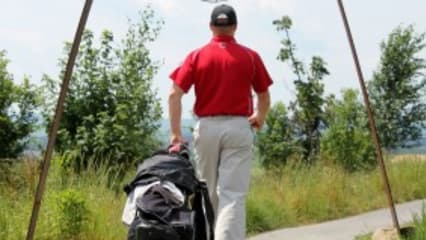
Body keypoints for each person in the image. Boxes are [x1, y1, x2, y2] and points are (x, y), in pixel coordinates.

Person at [168, 4, 273, 240]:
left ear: (211, 27)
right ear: (235, 27)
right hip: (238, 127)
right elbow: (264, 95)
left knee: (206, 191)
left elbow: (174, 95)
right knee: (232, 193)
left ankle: (207, 235)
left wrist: (175, 133)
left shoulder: (196, 56)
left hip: (206, 128)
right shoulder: (250, 56)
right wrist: (259, 116)